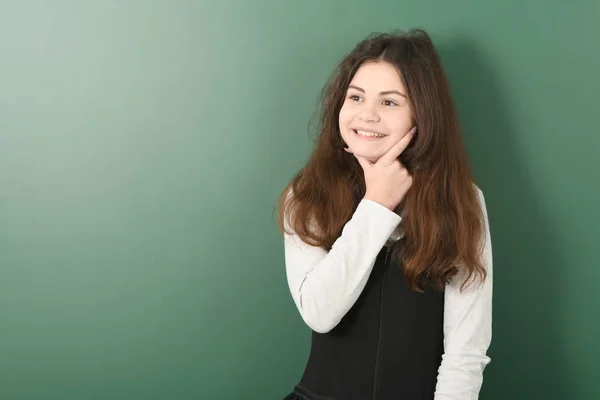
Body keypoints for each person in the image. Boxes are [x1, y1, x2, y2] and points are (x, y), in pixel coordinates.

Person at [277, 28, 493, 400]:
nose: (367, 115)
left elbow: (465, 352)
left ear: (421, 114)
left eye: (390, 102)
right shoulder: (308, 195)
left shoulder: (462, 201)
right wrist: (376, 205)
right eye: (356, 97)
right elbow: (319, 312)